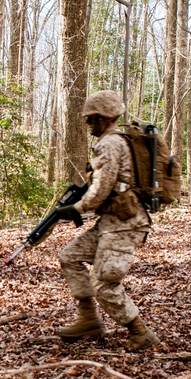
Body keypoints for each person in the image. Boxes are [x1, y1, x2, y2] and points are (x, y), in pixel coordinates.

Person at [51, 90, 160, 351]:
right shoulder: (112, 141)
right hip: (111, 222)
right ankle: (88, 320)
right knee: (70, 255)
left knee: (103, 283)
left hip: (125, 224)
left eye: (92, 120)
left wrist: (76, 208)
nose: (89, 125)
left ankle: (141, 333)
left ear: (105, 118)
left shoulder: (110, 143)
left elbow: (101, 188)